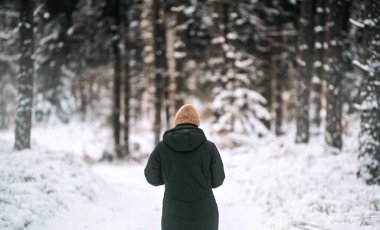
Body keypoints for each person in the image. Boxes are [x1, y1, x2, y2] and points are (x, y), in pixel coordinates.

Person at [144, 104, 225, 230]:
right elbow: (218, 180)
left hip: (173, 213)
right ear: (197, 122)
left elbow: (151, 178)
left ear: (176, 122)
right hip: (204, 213)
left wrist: (168, 178)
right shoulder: (209, 148)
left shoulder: (162, 147)